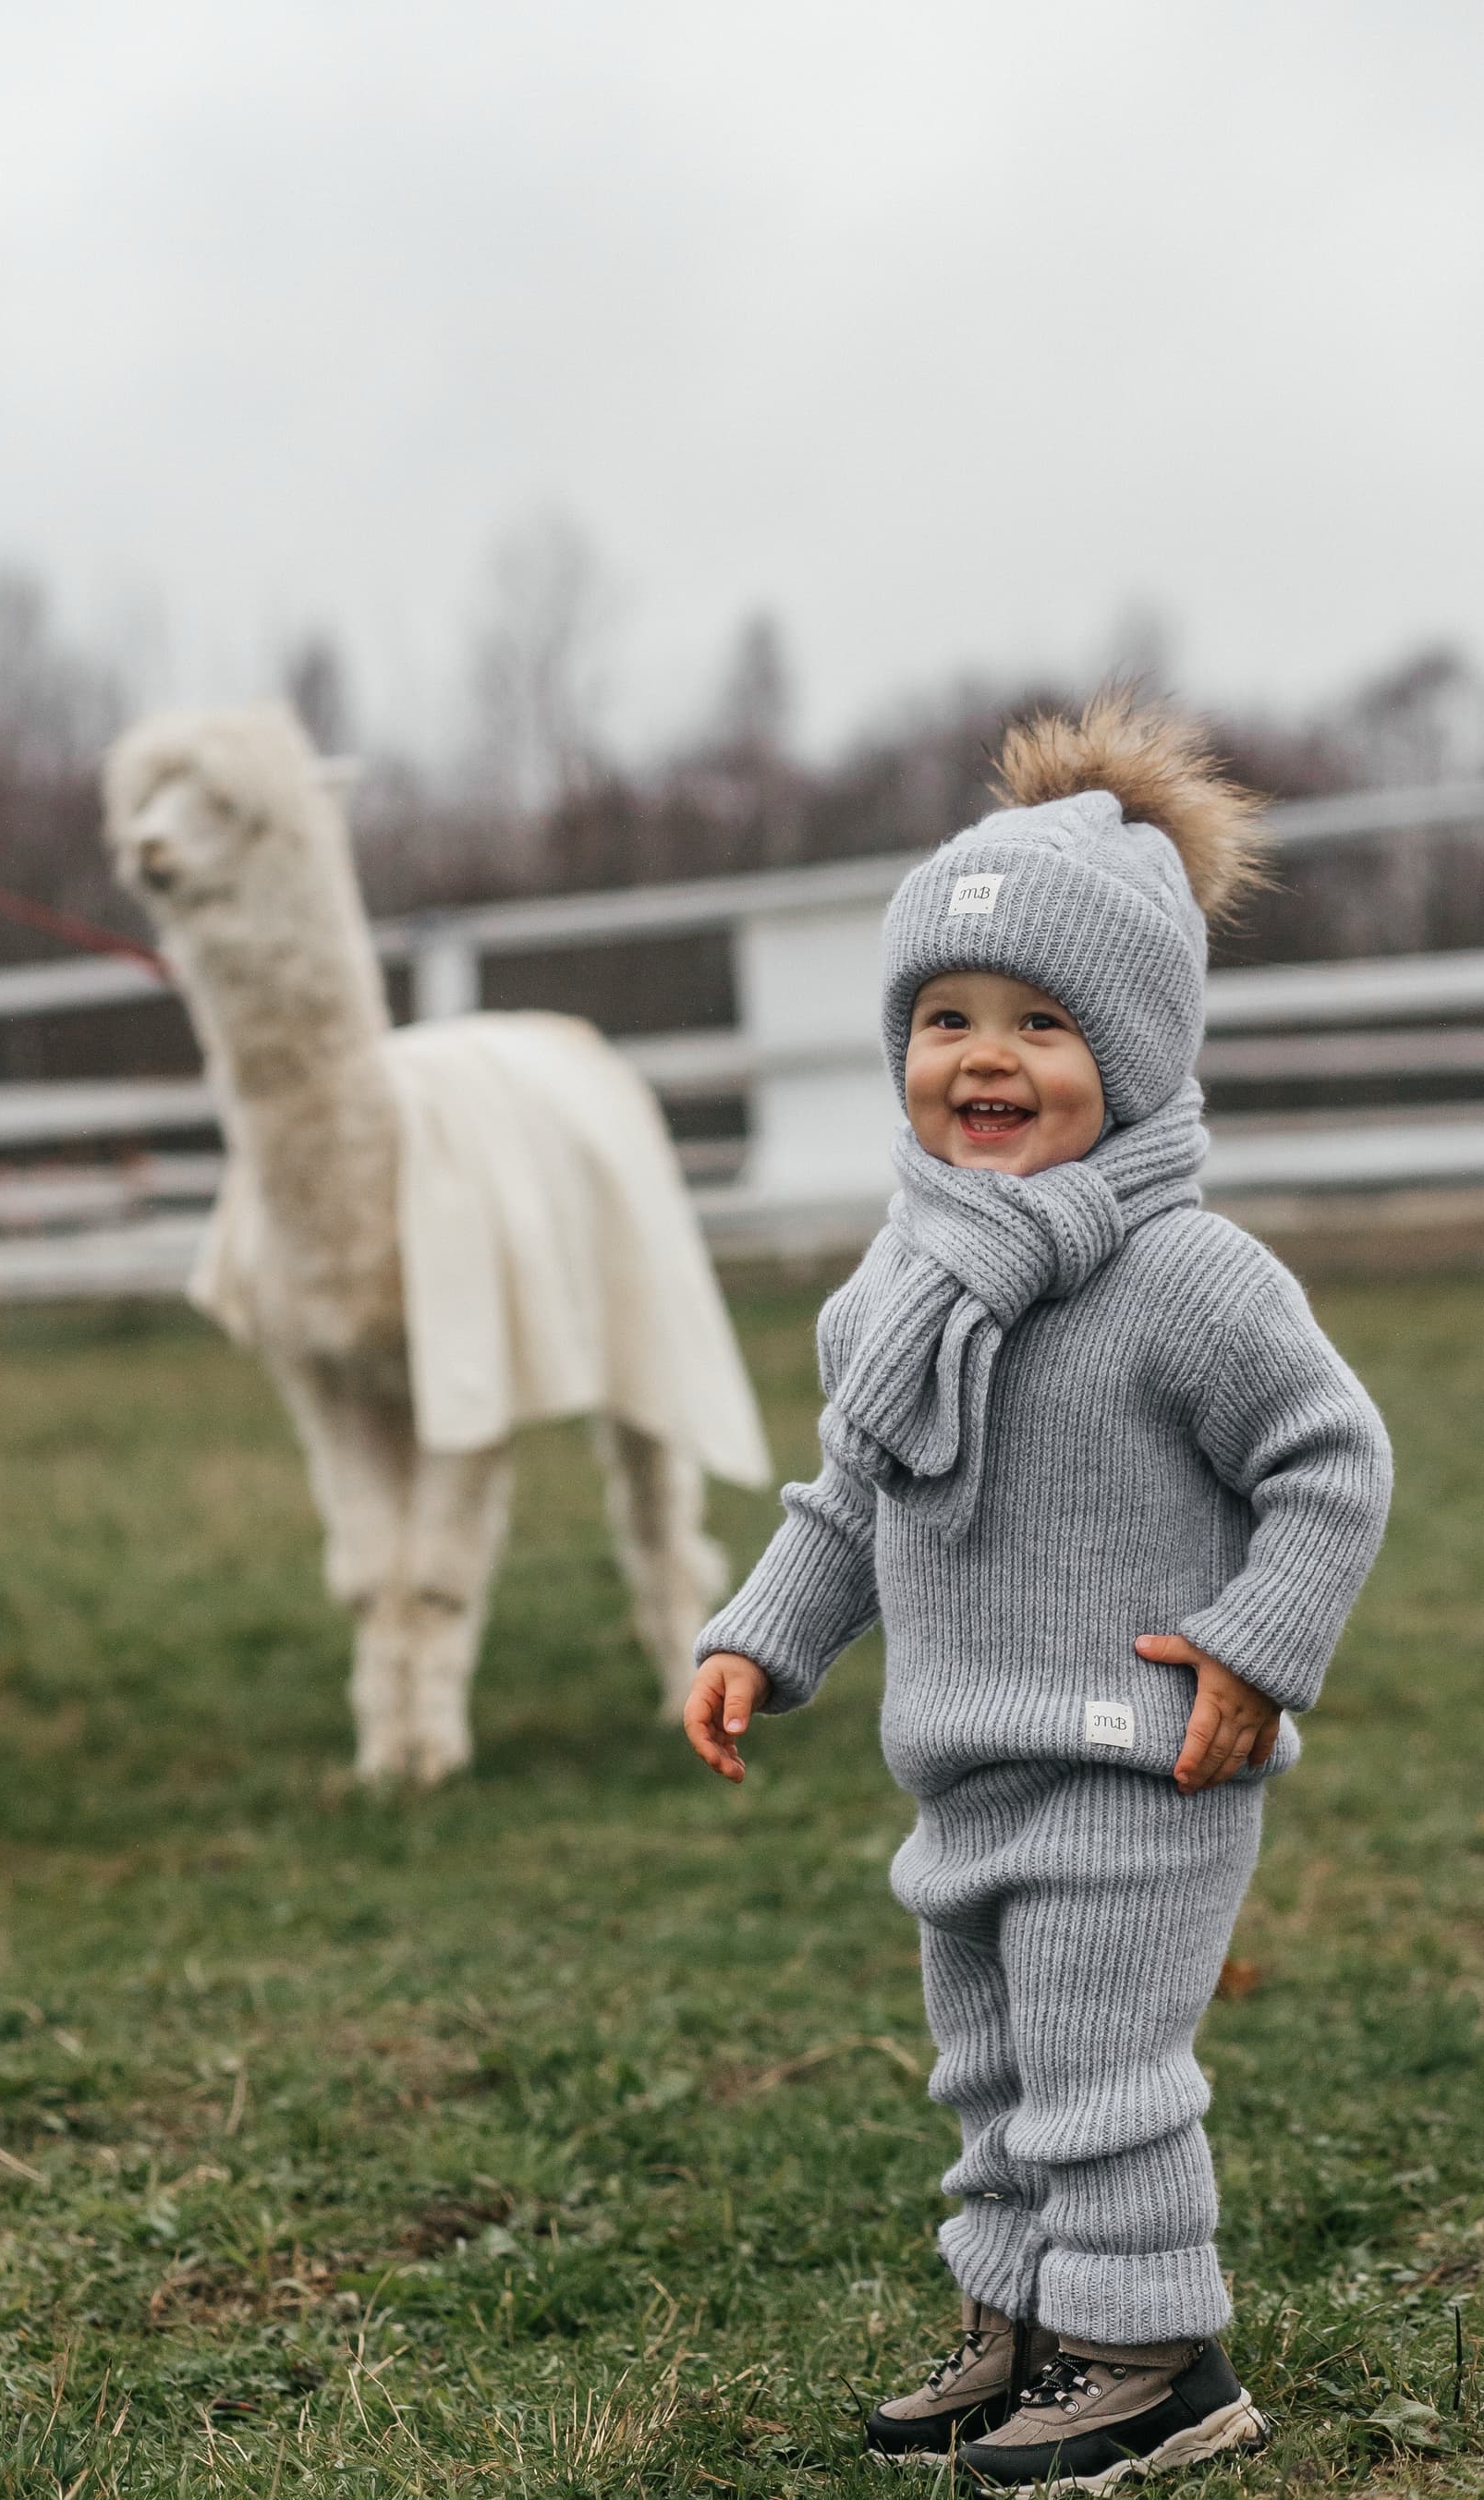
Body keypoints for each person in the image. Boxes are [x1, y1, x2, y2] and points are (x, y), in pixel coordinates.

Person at [685, 692, 1393, 2492]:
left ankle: (1155, 2355)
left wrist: (1259, 1646)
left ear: (1138, 1048)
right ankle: (1023, 2332)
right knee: (990, 2077)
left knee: (1100, 2070)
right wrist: (759, 1636)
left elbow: (1333, 1460)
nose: (982, 1058)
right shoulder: (901, 1289)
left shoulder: (1186, 1279)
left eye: (1041, 1023)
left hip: (1140, 1762)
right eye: (945, 1019)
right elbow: (853, 1489)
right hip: (968, 1757)